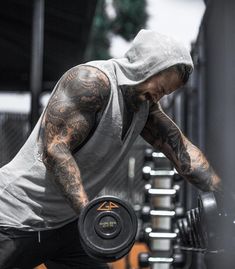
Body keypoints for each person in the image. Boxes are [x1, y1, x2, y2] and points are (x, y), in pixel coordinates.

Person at [0, 29, 221, 268]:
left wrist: (224, 194)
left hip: (65, 225)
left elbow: (181, 151)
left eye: (167, 93)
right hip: (16, 216)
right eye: (161, 87)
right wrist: (89, 213)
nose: (161, 96)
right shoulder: (90, 82)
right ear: (148, 66)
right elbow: (55, 150)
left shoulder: (143, 106)